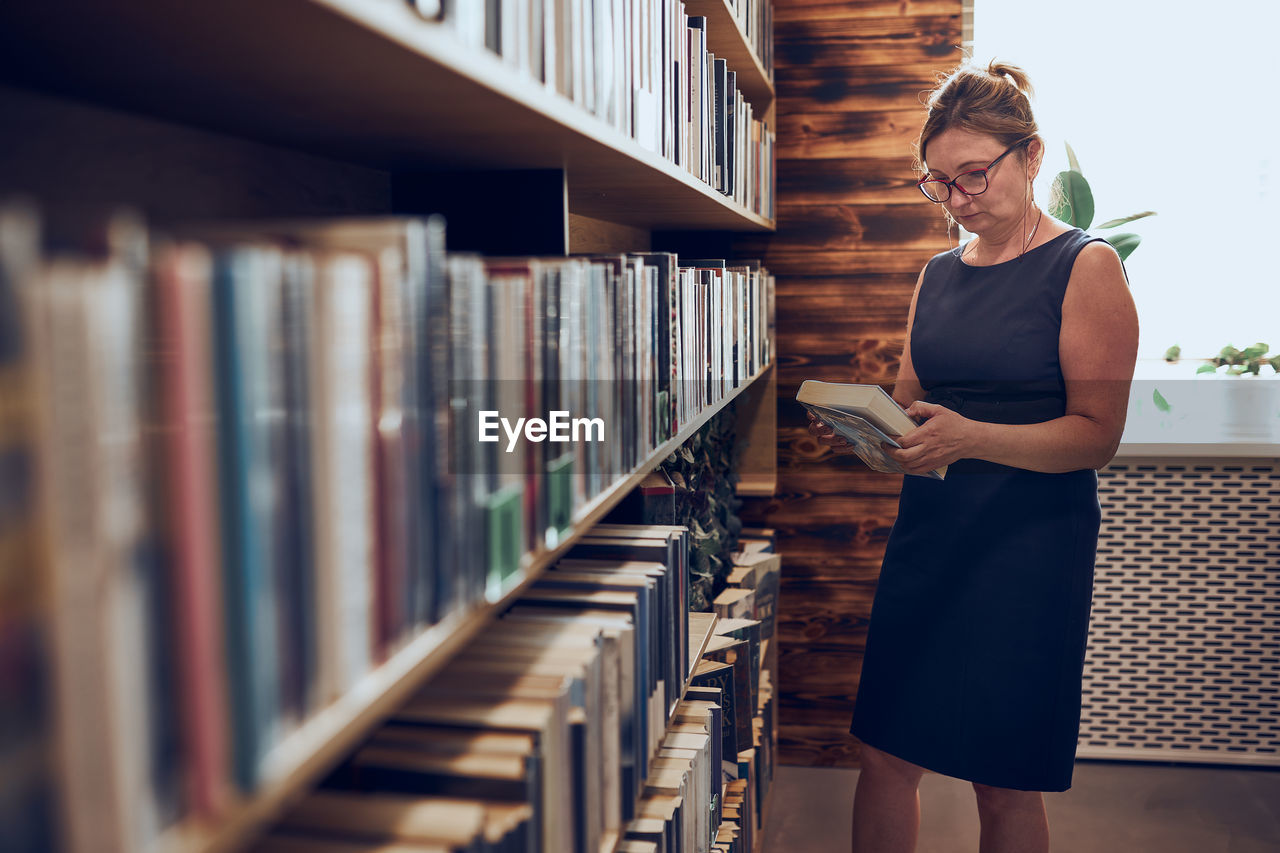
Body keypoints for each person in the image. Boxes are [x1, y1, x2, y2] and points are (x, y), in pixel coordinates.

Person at [806, 60, 1138, 853]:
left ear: (1031, 156)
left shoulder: (1086, 266)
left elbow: (1097, 433)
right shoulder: (936, 275)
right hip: (931, 538)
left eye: (973, 175)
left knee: (1004, 777)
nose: (957, 199)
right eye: (939, 183)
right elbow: (916, 412)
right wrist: (870, 432)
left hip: (1030, 549)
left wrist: (973, 438)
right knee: (884, 750)